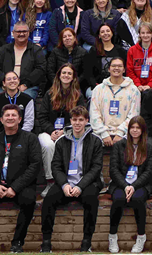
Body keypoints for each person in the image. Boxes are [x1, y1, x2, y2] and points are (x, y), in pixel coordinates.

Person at [0, 104, 42, 253]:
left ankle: (17, 242)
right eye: (7, 115)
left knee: (29, 201)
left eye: (13, 115)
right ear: (1, 119)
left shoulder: (30, 139)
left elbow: (35, 165)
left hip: (20, 186)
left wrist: (15, 187)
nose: (10, 118)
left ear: (20, 119)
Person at [38, 105, 104, 252]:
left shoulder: (95, 141)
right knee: (49, 199)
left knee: (91, 199)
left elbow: (96, 168)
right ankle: (46, 242)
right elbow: (56, 167)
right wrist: (64, 185)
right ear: (70, 121)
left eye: (81, 120)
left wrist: (80, 186)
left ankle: (87, 242)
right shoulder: (61, 141)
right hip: (66, 183)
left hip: (87, 183)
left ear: (87, 120)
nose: (77, 123)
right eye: (74, 120)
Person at [108, 116, 152, 254]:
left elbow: (149, 171)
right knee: (118, 199)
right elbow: (113, 170)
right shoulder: (119, 145)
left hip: (141, 184)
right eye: (132, 128)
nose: (135, 131)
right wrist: (125, 186)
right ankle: (112, 236)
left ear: (142, 130)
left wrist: (134, 186)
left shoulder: (150, 146)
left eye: (138, 128)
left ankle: (141, 236)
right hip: (121, 184)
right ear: (128, 129)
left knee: (137, 199)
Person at [36, 63, 87, 195]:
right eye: (64, 73)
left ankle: (68, 180)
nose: (66, 75)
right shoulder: (49, 94)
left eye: (69, 73)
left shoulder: (78, 96)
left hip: (70, 131)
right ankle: (50, 181)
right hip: (48, 131)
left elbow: (80, 118)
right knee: (47, 145)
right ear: (59, 75)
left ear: (73, 77)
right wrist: (52, 131)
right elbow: (42, 116)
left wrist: (64, 131)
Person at [89, 57, 142, 147]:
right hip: (100, 135)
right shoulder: (98, 90)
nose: (116, 68)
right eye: (113, 66)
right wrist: (104, 134)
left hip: (125, 135)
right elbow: (94, 114)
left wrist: (120, 133)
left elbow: (134, 115)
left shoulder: (133, 90)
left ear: (124, 69)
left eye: (119, 66)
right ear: (109, 69)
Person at [0, 21, 46, 99]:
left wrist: (26, 84)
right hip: (5, 87)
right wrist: (5, 82)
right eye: (18, 31)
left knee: (24, 100)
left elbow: (40, 69)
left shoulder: (36, 50)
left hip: (28, 88)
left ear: (28, 33)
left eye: (24, 31)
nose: (21, 34)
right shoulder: (4, 49)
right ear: (13, 33)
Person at [80, 24, 127, 94]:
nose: (105, 33)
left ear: (112, 33)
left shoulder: (120, 51)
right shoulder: (93, 51)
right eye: (102, 32)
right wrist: (96, 86)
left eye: (108, 31)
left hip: (118, 85)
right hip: (98, 86)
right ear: (99, 35)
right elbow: (88, 72)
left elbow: (125, 70)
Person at [0, 71, 36, 136]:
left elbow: (29, 122)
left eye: (14, 78)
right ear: (4, 83)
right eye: (9, 79)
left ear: (18, 81)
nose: (12, 81)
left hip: (22, 137)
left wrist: (21, 138)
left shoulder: (28, 99)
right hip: (1, 137)